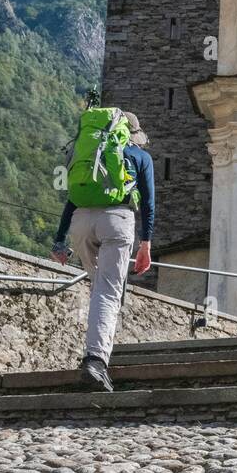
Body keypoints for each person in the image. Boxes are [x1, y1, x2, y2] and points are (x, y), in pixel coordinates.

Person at [51, 111, 154, 391]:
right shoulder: (140, 157)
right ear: (134, 134)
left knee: (100, 288)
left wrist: (59, 241)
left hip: (81, 220)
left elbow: (71, 199)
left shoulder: (91, 150)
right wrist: (146, 243)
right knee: (108, 292)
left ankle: (96, 352)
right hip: (117, 220)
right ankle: (95, 361)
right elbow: (148, 203)